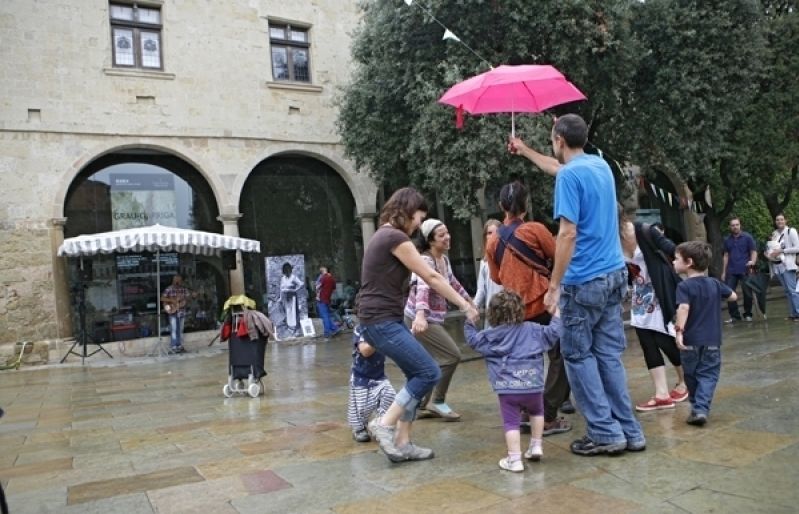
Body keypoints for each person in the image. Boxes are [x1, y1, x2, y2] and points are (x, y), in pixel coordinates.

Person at [509, 114, 646, 456]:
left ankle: (603, 432)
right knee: (608, 356)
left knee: (577, 356)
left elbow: (567, 233)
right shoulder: (598, 165)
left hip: (584, 282)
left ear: (557, 139)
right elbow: (556, 168)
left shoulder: (570, 176)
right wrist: (525, 150)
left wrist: (554, 285)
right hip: (614, 275)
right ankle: (629, 431)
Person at [359, 187, 479, 463]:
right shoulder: (394, 237)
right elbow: (431, 277)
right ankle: (385, 424)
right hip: (381, 321)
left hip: (383, 319)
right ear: (406, 211)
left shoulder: (384, 235)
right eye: (418, 217)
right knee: (428, 372)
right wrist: (464, 305)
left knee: (418, 373)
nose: (418, 225)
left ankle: (403, 442)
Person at [484, 180, 572, 437]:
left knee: (525, 360)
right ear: (526, 206)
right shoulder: (535, 230)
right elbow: (558, 255)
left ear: (501, 206)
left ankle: (525, 411)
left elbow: (497, 278)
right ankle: (546, 414)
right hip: (543, 304)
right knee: (561, 356)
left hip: (515, 311)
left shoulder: (493, 240)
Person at [464, 290, 562, 472]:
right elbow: (554, 332)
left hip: (507, 389)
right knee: (537, 412)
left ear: (493, 314)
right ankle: (536, 446)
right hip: (533, 385)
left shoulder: (490, 335)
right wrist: (555, 314)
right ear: (520, 310)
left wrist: (469, 321)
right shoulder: (533, 329)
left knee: (511, 422)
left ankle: (514, 459)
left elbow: (473, 341)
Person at [404, 218, 473, 421]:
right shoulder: (425, 260)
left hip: (427, 317)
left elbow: (451, 282)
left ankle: (418, 405)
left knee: (428, 364)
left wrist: (468, 299)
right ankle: (438, 400)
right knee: (452, 355)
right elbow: (422, 288)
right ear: (430, 240)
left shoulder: (443, 259)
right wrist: (420, 315)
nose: (448, 237)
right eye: (442, 235)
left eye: (447, 233)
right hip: (421, 318)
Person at [619, 212, 688, 411]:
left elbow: (675, 251)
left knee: (665, 340)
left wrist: (692, 274)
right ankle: (662, 394)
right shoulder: (610, 240)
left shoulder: (644, 230)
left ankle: (687, 380)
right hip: (640, 298)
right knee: (647, 343)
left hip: (661, 293)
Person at [673, 241, 736, 426]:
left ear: (689, 262)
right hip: (712, 340)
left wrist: (679, 332)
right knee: (708, 374)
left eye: (676, 259)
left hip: (690, 340)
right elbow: (733, 296)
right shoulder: (714, 283)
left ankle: (696, 407)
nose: (673, 262)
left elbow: (683, 308)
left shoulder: (684, 286)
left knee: (691, 375)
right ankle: (700, 409)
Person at [348, 325, 396, 442]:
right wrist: (381, 338)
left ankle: (381, 424)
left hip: (379, 376)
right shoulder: (361, 329)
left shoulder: (383, 327)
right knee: (362, 408)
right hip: (361, 377)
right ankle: (359, 428)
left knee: (391, 397)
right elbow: (365, 351)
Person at [722, 217, 758, 323]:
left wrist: (753, 263)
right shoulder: (727, 239)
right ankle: (735, 316)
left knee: (747, 292)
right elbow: (726, 255)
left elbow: (753, 251)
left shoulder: (747, 237)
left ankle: (748, 314)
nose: (735, 227)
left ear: (740, 225)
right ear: (730, 227)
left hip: (745, 269)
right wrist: (723, 272)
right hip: (731, 270)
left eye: (737, 224)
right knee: (729, 293)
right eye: (733, 225)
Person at [765, 213, 799, 321]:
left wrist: (782, 250)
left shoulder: (791, 231)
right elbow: (771, 247)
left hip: (788, 265)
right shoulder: (774, 233)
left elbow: (797, 248)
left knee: (793, 291)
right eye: (777, 220)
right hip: (777, 266)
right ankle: (792, 314)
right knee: (787, 291)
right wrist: (768, 254)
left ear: (786, 220)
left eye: (781, 219)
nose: (779, 221)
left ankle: (798, 313)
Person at [473, 219, 503, 329]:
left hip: (509, 309)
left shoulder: (508, 258)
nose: (493, 236)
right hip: (492, 311)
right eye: (489, 233)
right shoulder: (484, 263)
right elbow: (481, 289)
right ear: (485, 237)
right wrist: (474, 306)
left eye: (497, 232)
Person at [161, 274, 189, 353]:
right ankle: (173, 347)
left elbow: (188, 298)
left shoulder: (184, 290)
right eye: (176, 280)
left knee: (180, 330)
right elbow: (162, 298)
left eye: (179, 280)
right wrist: (172, 301)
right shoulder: (169, 289)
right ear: (173, 280)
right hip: (172, 311)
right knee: (173, 329)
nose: (177, 282)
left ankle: (179, 346)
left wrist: (192, 296)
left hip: (181, 312)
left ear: (181, 281)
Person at [315, 265, 341, 339]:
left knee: (324, 316)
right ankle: (334, 328)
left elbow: (317, 287)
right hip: (327, 299)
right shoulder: (332, 279)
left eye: (322, 268)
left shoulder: (323, 278)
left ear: (325, 269)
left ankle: (327, 332)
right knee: (328, 315)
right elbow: (333, 288)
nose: (320, 269)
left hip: (321, 299)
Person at [280, 262, 303, 336]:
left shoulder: (293, 277)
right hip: (285, 296)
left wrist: (295, 290)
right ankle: (290, 327)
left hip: (292, 296)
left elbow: (301, 284)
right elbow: (281, 288)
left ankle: (296, 329)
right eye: (285, 272)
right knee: (287, 311)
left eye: (288, 271)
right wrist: (280, 298)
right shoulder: (283, 278)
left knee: (293, 312)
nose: (287, 273)